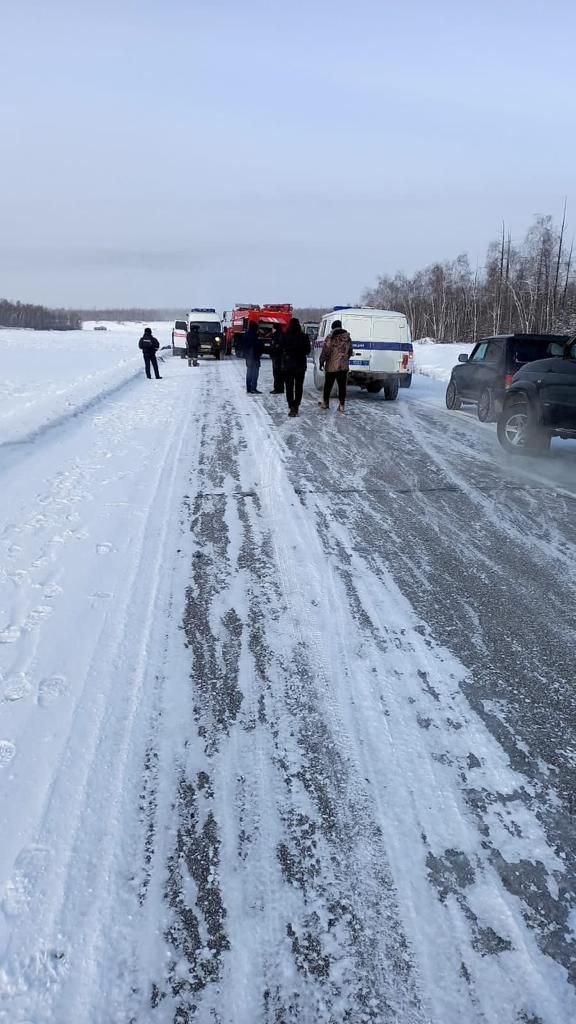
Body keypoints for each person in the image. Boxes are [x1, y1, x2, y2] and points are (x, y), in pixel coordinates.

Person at [319, 319, 353, 412]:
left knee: (328, 385)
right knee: (342, 386)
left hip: (331, 365)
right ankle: (342, 405)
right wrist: (345, 359)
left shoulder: (330, 337)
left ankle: (325, 403)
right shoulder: (348, 338)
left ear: (333, 327)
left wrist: (322, 361)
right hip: (343, 366)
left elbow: (326, 351)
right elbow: (350, 351)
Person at [280, 317, 311, 417]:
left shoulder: (285, 336)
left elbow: (281, 348)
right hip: (300, 364)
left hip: (288, 365)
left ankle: (291, 405)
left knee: (289, 387)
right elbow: (307, 350)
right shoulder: (304, 336)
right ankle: (296, 405)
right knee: (298, 386)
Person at [243, 321, 264, 393]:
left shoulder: (245, 334)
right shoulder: (255, 335)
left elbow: (243, 345)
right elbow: (259, 346)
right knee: (255, 373)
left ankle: (248, 388)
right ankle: (253, 388)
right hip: (255, 356)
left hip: (248, 357)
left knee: (249, 372)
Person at [269, 323, 285, 394]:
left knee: (276, 373)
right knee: (280, 374)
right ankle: (280, 388)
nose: (272, 330)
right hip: (280, 357)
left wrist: (272, 350)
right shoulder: (282, 335)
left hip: (277, 357)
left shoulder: (276, 336)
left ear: (275, 329)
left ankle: (277, 388)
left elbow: (276, 346)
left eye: (273, 328)